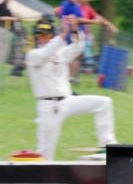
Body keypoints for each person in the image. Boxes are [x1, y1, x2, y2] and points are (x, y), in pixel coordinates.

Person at [25, 16, 117, 160]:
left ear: (51, 36)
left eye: (47, 34)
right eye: (40, 34)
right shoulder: (33, 55)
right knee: (45, 153)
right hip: (48, 106)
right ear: (36, 37)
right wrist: (62, 35)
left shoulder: (60, 52)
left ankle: (107, 146)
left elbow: (78, 47)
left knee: (104, 102)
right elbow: (45, 53)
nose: (43, 38)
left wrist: (74, 30)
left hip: (67, 100)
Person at [79, 0, 117, 70]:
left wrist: (109, 24)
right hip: (74, 35)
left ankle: (87, 69)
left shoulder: (88, 8)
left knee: (87, 52)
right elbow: (57, 11)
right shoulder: (73, 6)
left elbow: (98, 17)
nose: (88, 0)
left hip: (86, 36)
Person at [0, 0, 26, 76]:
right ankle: (17, 64)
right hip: (4, 29)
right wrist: (13, 18)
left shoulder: (6, 7)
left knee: (16, 45)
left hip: (10, 29)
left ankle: (18, 64)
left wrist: (16, 17)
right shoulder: (1, 6)